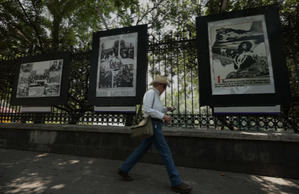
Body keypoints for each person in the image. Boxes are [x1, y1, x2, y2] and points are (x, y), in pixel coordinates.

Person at [118, 75, 192, 194]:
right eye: (165, 87)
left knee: (141, 150)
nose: (165, 90)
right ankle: (176, 182)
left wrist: (166, 109)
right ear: (159, 85)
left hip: (155, 124)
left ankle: (124, 169)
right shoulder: (151, 93)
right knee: (166, 152)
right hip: (153, 125)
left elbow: (155, 109)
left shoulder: (156, 95)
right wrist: (164, 116)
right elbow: (147, 110)